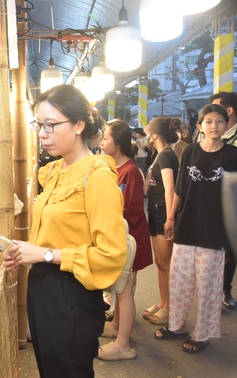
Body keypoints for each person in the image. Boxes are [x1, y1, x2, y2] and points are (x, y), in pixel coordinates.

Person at [3, 85, 127, 378]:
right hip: (43, 288)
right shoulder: (55, 171)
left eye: (51, 125)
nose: (42, 133)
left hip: (73, 296)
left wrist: (45, 254)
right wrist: (26, 253)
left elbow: (111, 255)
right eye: (39, 125)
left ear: (78, 125)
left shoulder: (97, 177)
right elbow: (58, 235)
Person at [155, 104, 237, 353]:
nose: (215, 126)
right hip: (187, 224)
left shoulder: (232, 154)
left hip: (215, 229)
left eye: (220, 121)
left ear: (226, 125)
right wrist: (170, 218)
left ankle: (202, 334)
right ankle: (177, 324)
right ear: (200, 126)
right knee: (180, 280)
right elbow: (179, 187)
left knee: (208, 285)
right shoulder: (189, 151)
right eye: (209, 121)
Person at [98, 119, 153, 361]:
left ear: (118, 143)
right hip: (119, 235)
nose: (101, 141)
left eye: (105, 137)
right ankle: (117, 326)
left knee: (125, 290)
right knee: (120, 287)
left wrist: (102, 212)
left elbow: (132, 210)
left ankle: (123, 345)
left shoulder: (131, 171)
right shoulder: (111, 166)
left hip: (130, 238)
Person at [142, 116, 180, 326]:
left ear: (154, 134)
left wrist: (170, 218)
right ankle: (162, 301)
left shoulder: (166, 155)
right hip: (155, 211)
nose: (147, 136)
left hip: (163, 212)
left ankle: (170, 307)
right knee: (160, 262)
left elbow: (170, 188)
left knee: (167, 263)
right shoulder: (158, 155)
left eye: (148, 132)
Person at [209, 92, 237, 309]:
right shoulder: (205, 137)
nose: (213, 123)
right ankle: (212, 290)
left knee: (228, 250)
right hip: (209, 201)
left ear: (228, 112)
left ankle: (225, 290)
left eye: (217, 112)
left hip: (232, 204)